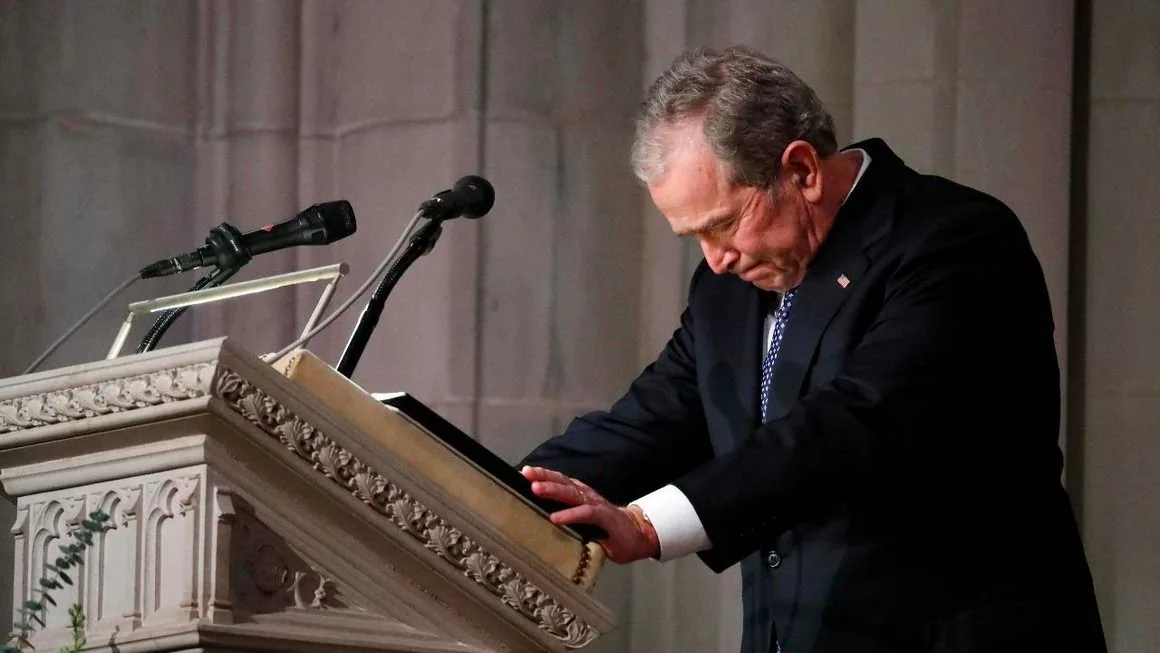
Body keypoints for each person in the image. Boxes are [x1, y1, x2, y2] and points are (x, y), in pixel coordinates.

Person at [517, 45, 1107, 653]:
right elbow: (652, 417)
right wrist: (494, 496)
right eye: (694, 237)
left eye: (722, 224)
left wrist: (646, 524)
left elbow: (856, 422)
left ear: (801, 170)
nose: (715, 259)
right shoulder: (728, 285)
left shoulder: (954, 239)